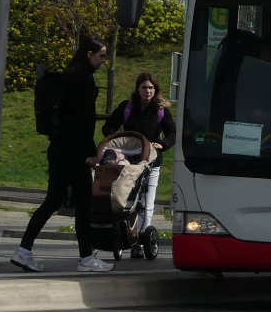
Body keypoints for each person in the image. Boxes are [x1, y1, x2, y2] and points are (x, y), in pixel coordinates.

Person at [11, 37, 114, 273]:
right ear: (89, 54)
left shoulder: (68, 75)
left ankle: (24, 251)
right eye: (101, 55)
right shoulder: (84, 80)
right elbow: (83, 121)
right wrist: (91, 153)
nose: (103, 60)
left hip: (56, 147)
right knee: (84, 203)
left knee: (52, 200)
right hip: (74, 150)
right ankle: (86, 258)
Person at [103, 71, 176, 257]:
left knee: (146, 202)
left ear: (156, 90)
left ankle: (140, 241)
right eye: (144, 87)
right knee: (127, 199)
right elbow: (108, 127)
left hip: (151, 162)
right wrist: (118, 141)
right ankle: (125, 235)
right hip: (128, 162)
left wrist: (162, 144)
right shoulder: (127, 107)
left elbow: (172, 133)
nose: (148, 91)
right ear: (138, 89)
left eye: (151, 88)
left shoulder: (160, 110)